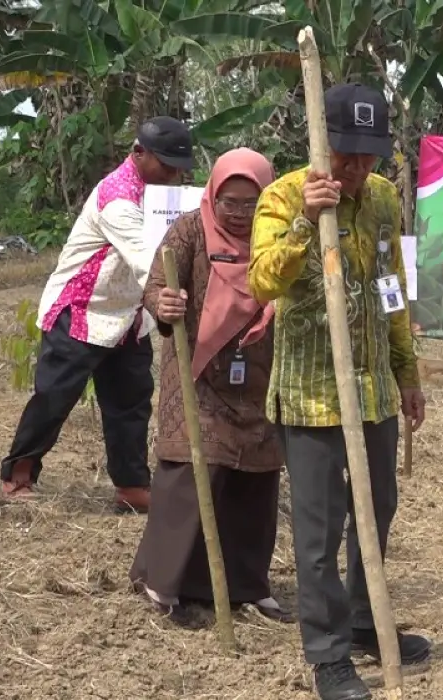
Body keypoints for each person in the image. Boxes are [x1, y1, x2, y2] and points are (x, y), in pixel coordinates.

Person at [249, 82, 430, 700]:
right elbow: (263, 282)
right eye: (344, 157)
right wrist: (305, 218)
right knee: (319, 533)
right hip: (310, 395)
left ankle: (362, 619)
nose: (355, 170)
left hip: (373, 388)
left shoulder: (381, 198)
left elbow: (391, 287)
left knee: (376, 513)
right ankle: (326, 653)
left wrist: (407, 372)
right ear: (319, 145)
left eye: (367, 157)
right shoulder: (281, 197)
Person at [129, 148, 292, 627]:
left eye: (252, 203)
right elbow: (158, 281)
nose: (240, 215)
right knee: (191, 475)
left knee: (256, 480)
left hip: (260, 375)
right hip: (198, 372)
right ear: (213, 195)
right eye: (231, 203)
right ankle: (163, 581)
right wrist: (164, 302)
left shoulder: (277, 235)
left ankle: (247, 585)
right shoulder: (188, 229)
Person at [0, 116, 195, 512]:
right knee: (54, 398)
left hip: (129, 314)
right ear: (138, 153)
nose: (173, 174)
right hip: (82, 310)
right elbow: (147, 259)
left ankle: (131, 485)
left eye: (179, 167)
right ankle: (19, 471)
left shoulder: (168, 197)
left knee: (131, 402)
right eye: (166, 164)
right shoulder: (117, 197)